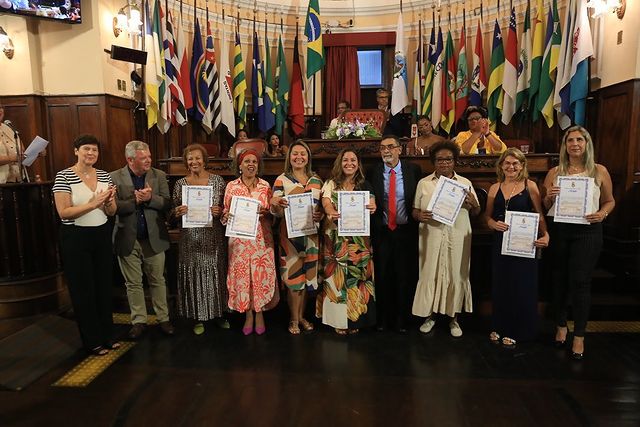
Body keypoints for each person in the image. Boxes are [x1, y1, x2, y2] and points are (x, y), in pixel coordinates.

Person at [543, 126, 615, 360]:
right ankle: (561, 325)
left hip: (588, 231)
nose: (575, 144)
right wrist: (549, 197)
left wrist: (602, 214)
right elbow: (545, 206)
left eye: (579, 140)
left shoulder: (599, 171)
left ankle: (580, 335)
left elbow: (609, 201)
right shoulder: (555, 172)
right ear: (564, 145)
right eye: (570, 140)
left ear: (587, 144)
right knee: (559, 279)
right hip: (560, 229)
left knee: (580, 281)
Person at [53, 134, 118, 356]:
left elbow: (112, 212)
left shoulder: (104, 175)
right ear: (76, 151)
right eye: (86, 149)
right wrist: (92, 204)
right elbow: (63, 212)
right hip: (75, 236)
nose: (91, 153)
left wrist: (108, 202)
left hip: (101, 235)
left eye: (95, 150)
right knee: (84, 290)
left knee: (103, 287)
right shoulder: (64, 176)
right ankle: (92, 341)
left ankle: (108, 336)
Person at [412, 140, 480, 336]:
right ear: (433, 162)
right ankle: (430, 315)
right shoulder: (423, 183)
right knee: (430, 272)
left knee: (455, 273)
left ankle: (454, 319)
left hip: (458, 234)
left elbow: (476, 212)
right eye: (439, 160)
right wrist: (420, 215)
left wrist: (474, 203)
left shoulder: (465, 183)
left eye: (448, 159)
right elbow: (415, 211)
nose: (444, 163)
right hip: (431, 235)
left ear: (455, 161)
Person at [484, 148, 549, 347]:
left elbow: (539, 215)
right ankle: (499, 326)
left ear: (522, 166)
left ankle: (520, 330)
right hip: (500, 243)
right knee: (502, 286)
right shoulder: (495, 188)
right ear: (501, 165)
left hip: (524, 245)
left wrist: (546, 234)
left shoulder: (530, 187)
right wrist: (492, 224)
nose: (511, 167)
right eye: (507, 163)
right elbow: (487, 217)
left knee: (522, 287)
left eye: (515, 163)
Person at [111, 140, 174, 339]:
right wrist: (134, 201)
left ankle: (163, 318)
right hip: (127, 237)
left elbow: (168, 203)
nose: (149, 160)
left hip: (154, 238)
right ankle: (139, 321)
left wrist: (149, 199)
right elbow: (112, 208)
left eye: (149, 156)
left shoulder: (159, 175)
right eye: (143, 158)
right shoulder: (114, 177)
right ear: (130, 159)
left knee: (158, 280)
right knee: (133, 283)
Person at [317, 149, 377, 335]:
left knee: (357, 279)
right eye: (345, 160)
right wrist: (329, 211)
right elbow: (326, 201)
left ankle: (355, 319)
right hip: (335, 240)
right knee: (336, 280)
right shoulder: (330, 183)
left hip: (359, 241)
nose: (349, 163)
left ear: (358, 164)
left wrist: (373, 207)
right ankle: (337, 320)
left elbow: (372, 202)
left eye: (353, 160)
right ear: (339, 163)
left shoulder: (365, 184)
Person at [172, 144, 229, 335]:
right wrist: (177, 211)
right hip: (190, 238)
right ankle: (197, 316)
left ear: (204, 160)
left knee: (215, 273)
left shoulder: (218, 181)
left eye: (197, 158)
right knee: (194, 275)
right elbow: (172, 212)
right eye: (190, 159)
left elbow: (225, 210)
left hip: (213, 236)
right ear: (186, 162)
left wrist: (219, 211)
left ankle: (219, 313)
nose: (194, 162)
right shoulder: (180, 184)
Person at [367, 135, 422, 333]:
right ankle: (382, 318)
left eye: (390, 147)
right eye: (382, 148)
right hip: (382, 232)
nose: (386, 151)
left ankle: (402, 319)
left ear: (400, 149)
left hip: (405, 231)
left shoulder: (413, 170)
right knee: (382, 277)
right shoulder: (373, 171)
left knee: (404, 276)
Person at [222, 149, 277, 335]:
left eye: (254, 161)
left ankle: (260, 312)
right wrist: (226, 215)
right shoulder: (231, 186)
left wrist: (267, 212)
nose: (251, 164)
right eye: (247, 161)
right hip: (239, 241)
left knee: (260, 276)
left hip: (261, 239)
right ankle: (248, 314)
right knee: (243, 277)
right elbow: (224, 212)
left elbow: (273, 212)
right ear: (240, 165)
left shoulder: (265, 186)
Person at [270, 140, 324, 334]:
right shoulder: (281, 180)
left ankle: (302, 316)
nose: (299, 157)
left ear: (308, 157)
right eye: (295, 154)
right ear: (289, 157)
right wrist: (275, 203)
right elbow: (274, 210)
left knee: (308, 280)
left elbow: (321, 208)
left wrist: (321, 215)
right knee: (294, 281)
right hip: (289, 239)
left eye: (303, 153)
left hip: (311, 238)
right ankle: (293, 319)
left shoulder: (317, 180)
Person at [0, 103, 25, 183]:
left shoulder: (9, 127)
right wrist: (13, 158)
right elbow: (17, 157)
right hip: (2, 181)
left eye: (0, 107)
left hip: (18, 178)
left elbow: (22, 149)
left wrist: (36, 152)